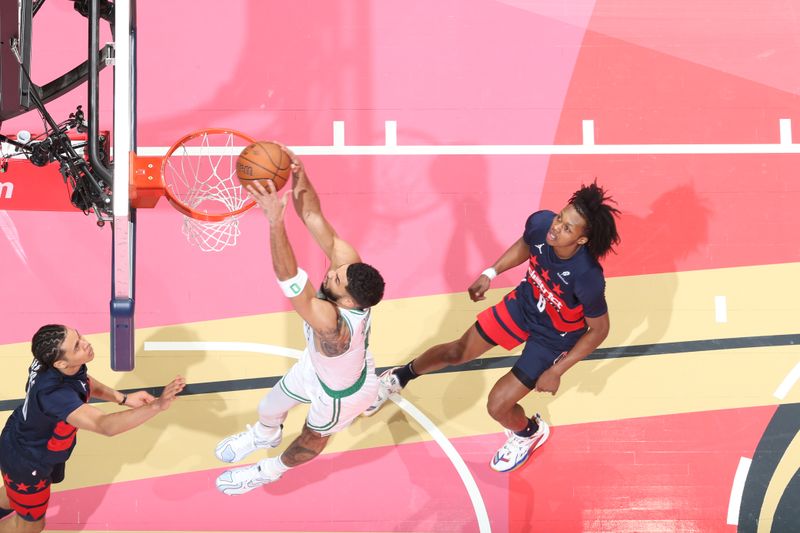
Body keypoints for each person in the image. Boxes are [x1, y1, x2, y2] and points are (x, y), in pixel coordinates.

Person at [364, 181, 621, 472]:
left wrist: (556, 370)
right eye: (560, 217)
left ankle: (529, 432)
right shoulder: (541, 224)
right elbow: (527, 244)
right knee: (456, 351)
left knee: (498, 405)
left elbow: (599, 330)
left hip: (553, 337)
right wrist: (491, 272)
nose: (556, 227)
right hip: (525, 306)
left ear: (582, 240)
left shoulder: (587, 276)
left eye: (567, 228)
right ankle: (399, 376)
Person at [214, 147, 385, 495]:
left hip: (339, 393)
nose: (332, 273)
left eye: (336, 279)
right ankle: (265, 434)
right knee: (268, 407)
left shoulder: (330, 324)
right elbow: (313, 216)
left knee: (311, 439)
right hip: (318, 366)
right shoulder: (349, 273)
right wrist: (298, 173)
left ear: (348, 301)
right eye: (337, 271)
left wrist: (275, 222)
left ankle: (269, 470)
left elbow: (289, 278)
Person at [0, 325, 185, 532]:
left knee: (12, 491)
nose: (86, 344)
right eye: (77, 346)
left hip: (25, 437)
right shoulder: (55, 395)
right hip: (28, 459)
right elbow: (104, 425)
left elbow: (83, 382)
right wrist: (156, 406)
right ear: (60, 362)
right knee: (30, 525)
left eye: (79, 336)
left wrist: (123, 398)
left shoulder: (54, 361)